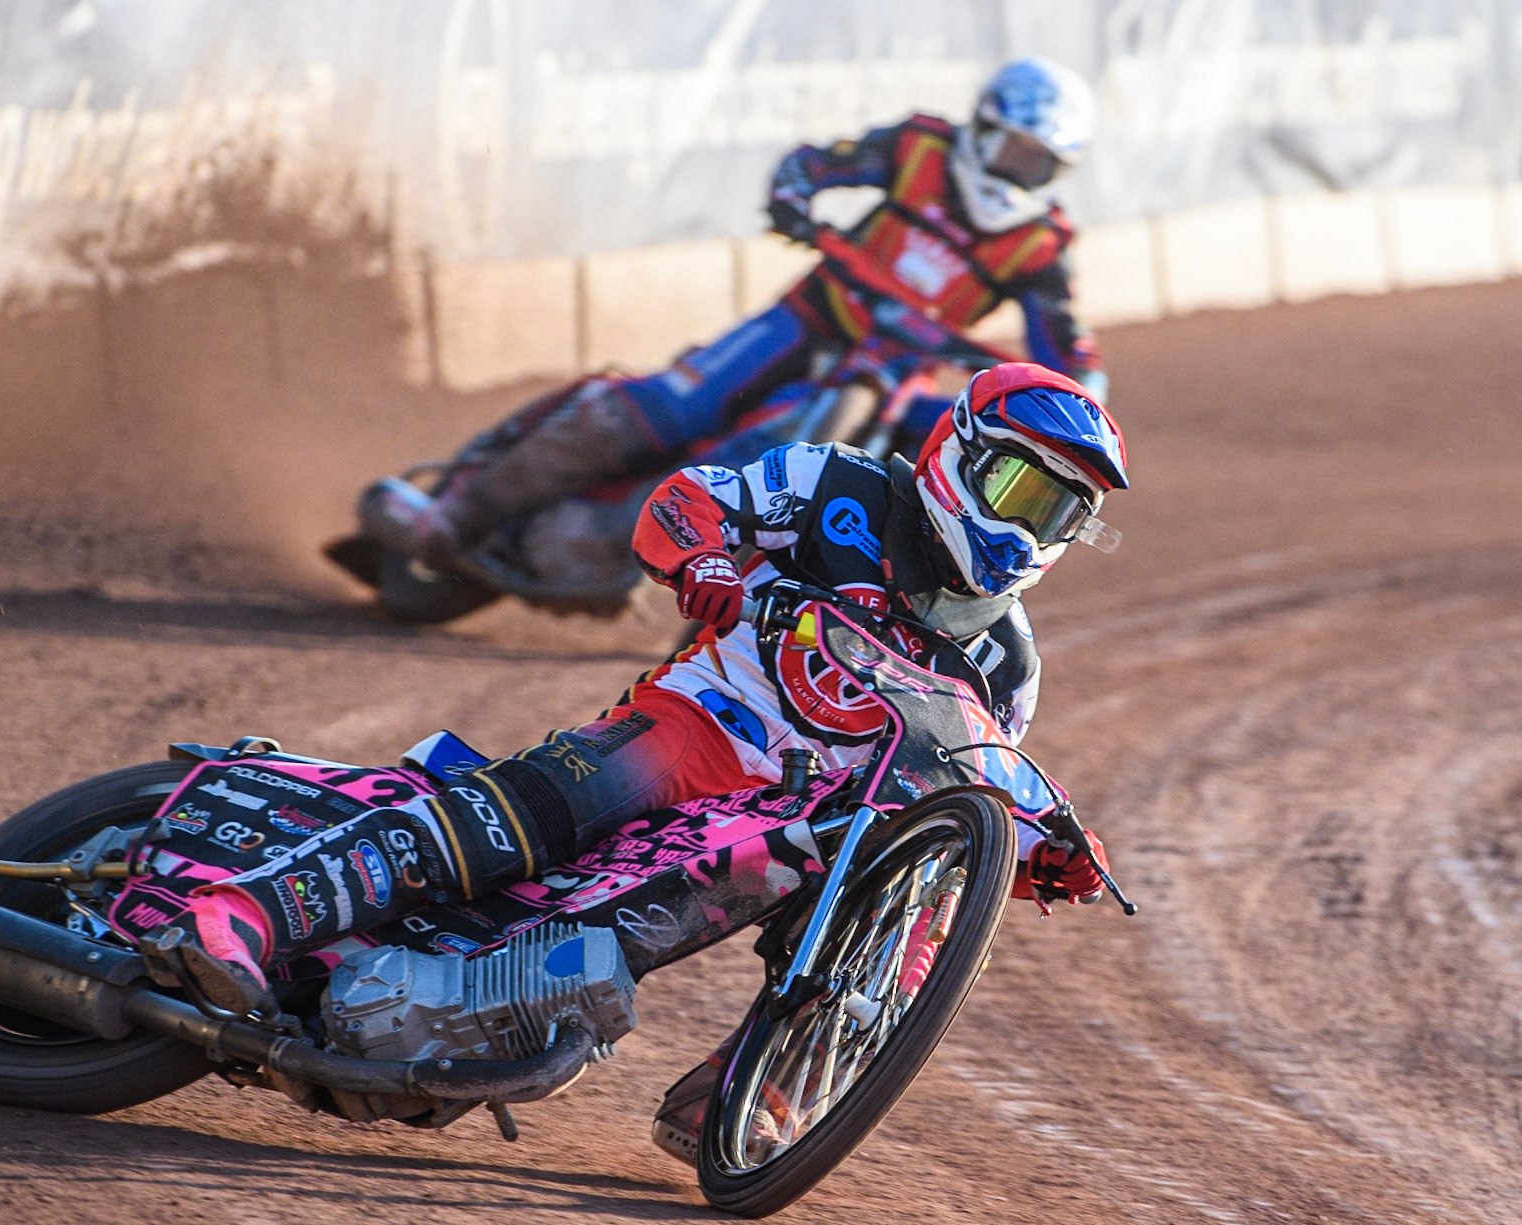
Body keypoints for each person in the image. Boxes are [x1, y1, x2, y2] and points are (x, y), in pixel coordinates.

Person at [151, 363, 1128, 1017]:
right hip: (699, 723)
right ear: (961, 454)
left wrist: (1031, 844)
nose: (1030, 533)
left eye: (1059, 515)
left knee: (917, 900)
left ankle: (774, 1083)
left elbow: (968, 782)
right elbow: (683, 501)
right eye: (1021, 494)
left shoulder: (1007, 663)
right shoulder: (842, 485)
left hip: (804, 817)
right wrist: (708, 561)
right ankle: (244, 911)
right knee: (527, 814)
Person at [370, 57, 1108, 573]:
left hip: (889, 375)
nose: (1017, 174)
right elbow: (816, 165)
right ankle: (456, 514)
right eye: (1011, 151)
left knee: (875, 482)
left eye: (1037, 165)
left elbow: (1066, 356)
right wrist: (796, 197)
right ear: (982, 129)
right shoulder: (918, 149)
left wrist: (1072, 402)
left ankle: (657, 558)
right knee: (664, 406)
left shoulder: (1040, 248)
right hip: (807, 320)